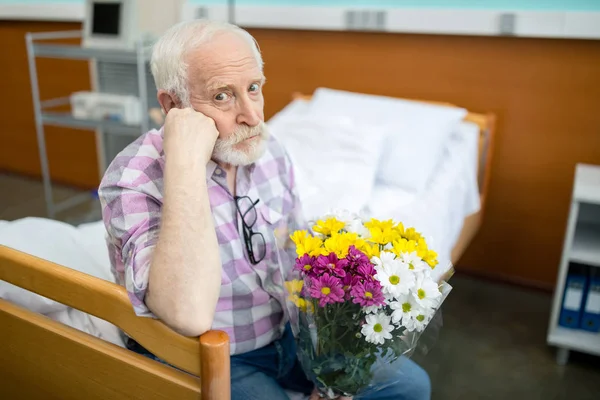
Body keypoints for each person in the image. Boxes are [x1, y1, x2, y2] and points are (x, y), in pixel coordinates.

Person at [98, 19, 431, 400]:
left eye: (253, 88)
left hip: (286, 336)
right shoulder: (133, 178)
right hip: (204, 356)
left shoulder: (269, 150)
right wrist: (186, 165)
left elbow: (295, 256)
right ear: (173, 106)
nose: (252, 116)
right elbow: (186, 315)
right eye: (222, 96)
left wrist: (333, 341)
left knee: (411, 387)